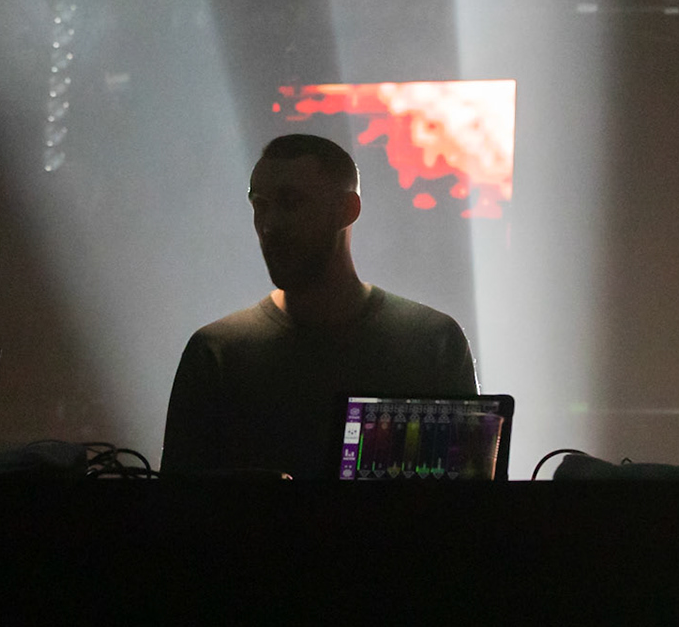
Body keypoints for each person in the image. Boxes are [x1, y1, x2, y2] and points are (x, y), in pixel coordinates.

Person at [161, 133, 478, 477]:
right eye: (260, 205)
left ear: (347, 210)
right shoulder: (214, 355)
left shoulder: (434, 343)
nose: (268, 225)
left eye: (291, 202)